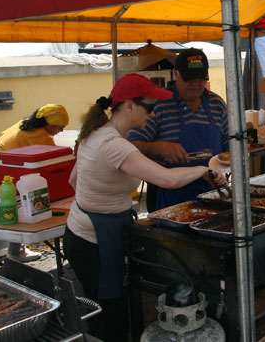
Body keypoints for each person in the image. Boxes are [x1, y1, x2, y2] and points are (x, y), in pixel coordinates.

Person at [64, 73, 227, 342]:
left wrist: (98, 201)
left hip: (87, 232)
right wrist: (203, 170)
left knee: (104, 312)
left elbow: (74, 180)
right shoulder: (113, 144)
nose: (152, 115)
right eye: (149, 108)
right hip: (95, 240)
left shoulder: (95, 133)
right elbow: (167, 179)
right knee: (112, 318)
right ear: (129, 106)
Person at [128, 48, 228, 211]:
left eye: (200, 78)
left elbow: (229, 147)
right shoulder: (158, 105)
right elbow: (130, 146)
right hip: (170, 197)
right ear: (176, 73)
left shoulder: (217, 104)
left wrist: (227, 164)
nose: (196, 83)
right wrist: (160, 147)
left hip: (212, 192)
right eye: (190, 78)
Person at [0, 104, 69, 262]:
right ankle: (16, 252)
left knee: (2, 206)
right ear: (49, 124)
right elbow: (57, 160)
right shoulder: (39, 136)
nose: (60, 131)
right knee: (17, 204)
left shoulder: (24, 124)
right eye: (60, 127)